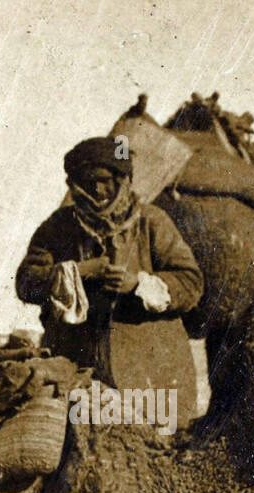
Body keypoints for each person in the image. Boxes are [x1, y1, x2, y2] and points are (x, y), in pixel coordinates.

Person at [16, 137, 203, 427]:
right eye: (88, 182)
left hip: (152, 376)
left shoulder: (152, 222)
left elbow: (190, 283)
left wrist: (138, 285)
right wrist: (77, 272)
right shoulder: (59, 227)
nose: (98, 190)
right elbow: (26, 283)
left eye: (104, 181)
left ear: (123, 180)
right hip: (76, 374)